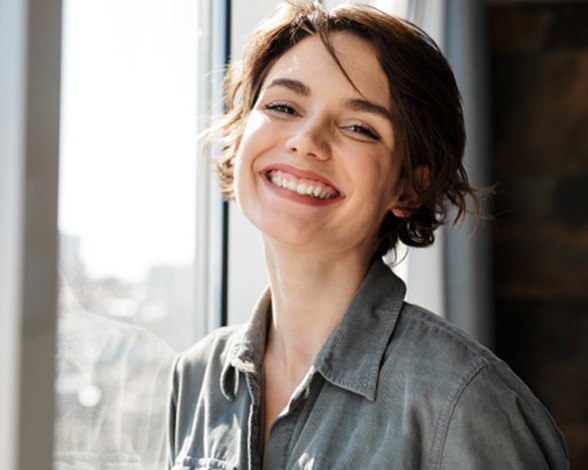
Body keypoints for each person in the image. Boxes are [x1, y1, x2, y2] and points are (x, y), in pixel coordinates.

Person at [167, 1, 569, 468]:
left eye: (360, 127)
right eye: (282, 106)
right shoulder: (196, 377)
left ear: (408, 186)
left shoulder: (465, 402)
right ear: (238, 142)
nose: (307, 141)